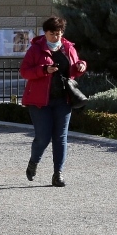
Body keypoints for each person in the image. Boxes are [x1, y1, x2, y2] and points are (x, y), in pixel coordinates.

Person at [20, 16, 86, 186]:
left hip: (63, 100)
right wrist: (44, 70)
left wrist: (81, 66)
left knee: (60, 137)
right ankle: (34, 162)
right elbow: (25, 72)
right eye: (52, 34)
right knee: (43, 137)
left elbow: (74, 69)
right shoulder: (36, 49)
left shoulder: (68, 48)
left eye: (58, 33)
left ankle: (58, 174)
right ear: (45, 33)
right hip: (40, 101)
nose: (56, 37)